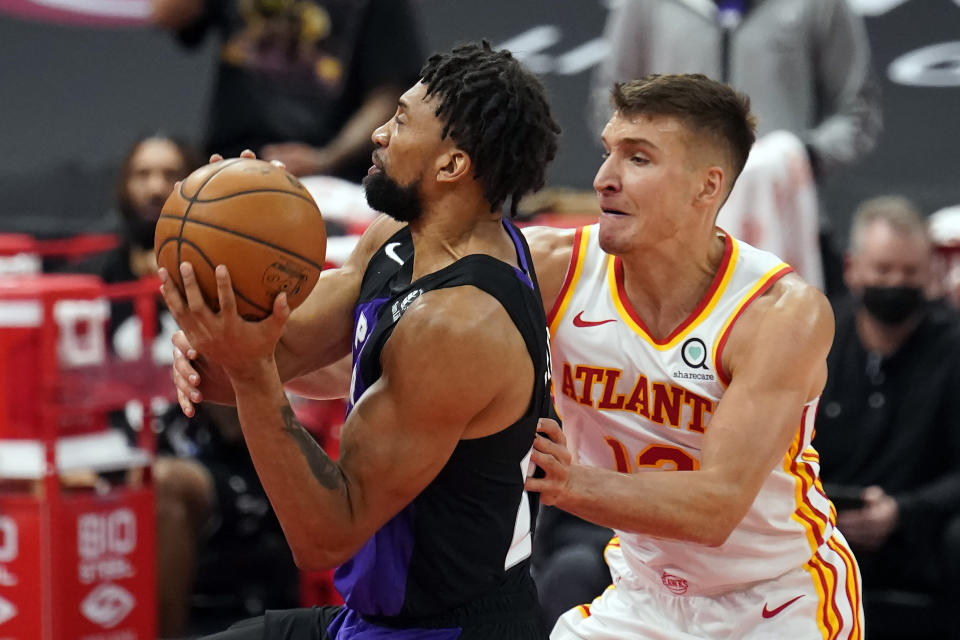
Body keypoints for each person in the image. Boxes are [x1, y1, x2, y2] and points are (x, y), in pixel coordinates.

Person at [159, 41, 561, 639]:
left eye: (400, 121)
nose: (377, 132)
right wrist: (228, 249)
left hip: (446, 630)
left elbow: (325, 534)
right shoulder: (401, 235)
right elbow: (271, 353)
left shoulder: (458, 324)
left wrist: (246, 371)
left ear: (452, 166)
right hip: (375, 617)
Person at [521, 74, 862, 639]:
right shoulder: (553, 266)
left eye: (639, 159)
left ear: (708, 187)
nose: (604, 180)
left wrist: (567, 482)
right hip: (643, 592)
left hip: (775, 601)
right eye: (609, 153)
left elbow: (714, 507)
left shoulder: (778, 313)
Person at [813, 196, 960, 636]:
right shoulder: (814, 336)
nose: (896, 283)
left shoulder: (953, 347)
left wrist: (902, 512)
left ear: (931, 272)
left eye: (909, 272)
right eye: (883, 271)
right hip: (816, 522)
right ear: (853, 268)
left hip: (921, 535)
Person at [150, 0, 425, 181]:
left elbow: (388, 94)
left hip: (326, 177)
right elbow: (165, 13)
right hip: (229, 162)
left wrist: (326, 158)